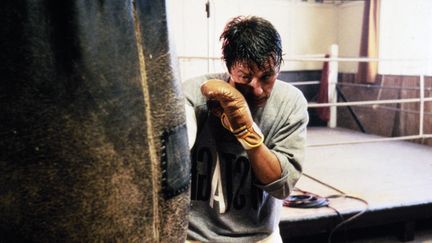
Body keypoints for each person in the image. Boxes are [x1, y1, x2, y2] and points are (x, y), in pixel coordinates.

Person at [183, 15, 309, 242]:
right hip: (196, 237)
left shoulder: (290, 102)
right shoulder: (195, 93)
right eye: (245, 77)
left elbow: (282, 187)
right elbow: (174, 155)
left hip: (259, 236)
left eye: (267, 76)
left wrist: (247, 133)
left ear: (278, 67)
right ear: (229, 67)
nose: (258, 89)